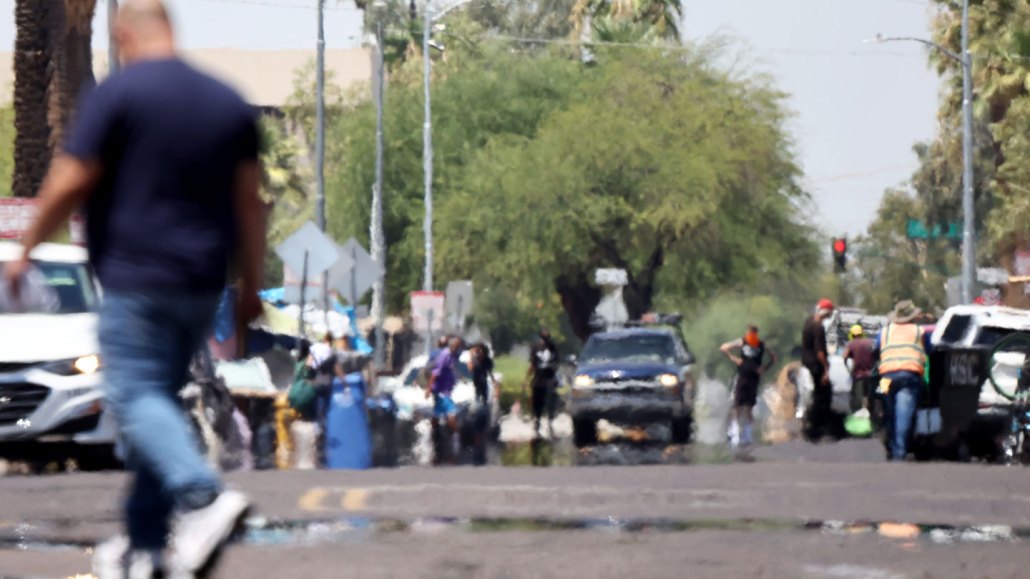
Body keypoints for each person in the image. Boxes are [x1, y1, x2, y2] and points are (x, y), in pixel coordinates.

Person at [2, 1, 266, 575]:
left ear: (124, 36)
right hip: (201, 285)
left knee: (132, 397)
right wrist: (251, 285)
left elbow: (72, 178)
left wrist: (25, 251)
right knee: (156, 405)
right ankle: (145, 549)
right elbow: (250, 204)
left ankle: (203, 496)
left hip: (137, 278)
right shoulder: (225, 101)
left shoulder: (121, 97)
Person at [873, 300, 932, 461]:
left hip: (885, 378)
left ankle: (891, 447)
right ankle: (899, 452)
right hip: (908, 376)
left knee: (888, 411)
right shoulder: (919, 331)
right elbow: (930, 349)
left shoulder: (884, 332)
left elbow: (876, 349)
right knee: (903, 414)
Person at [720, 325, 777, 448]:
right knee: (737, 405)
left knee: (749, 407)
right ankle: (735, 435)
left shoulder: (761, 345)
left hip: (754, 378)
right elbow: (723, 348)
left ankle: (747, 436)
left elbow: (773, 358)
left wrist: (764, 368)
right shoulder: (742, 342)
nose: (751, 334)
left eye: (753, 332)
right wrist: (734, 358)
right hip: (742, 377)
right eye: (749, 332)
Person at [801, 299, 835, 440]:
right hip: (816, 365)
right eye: (829, 314)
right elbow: (820, 351)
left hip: (807, 362)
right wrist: (826, 368)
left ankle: (813, 424)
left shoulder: (808, 322)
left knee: (817, 394)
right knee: (823, 396)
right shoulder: (818, 327)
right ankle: (816, 427)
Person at [426, 337, 462, 464]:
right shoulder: (444, 356)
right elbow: (435, 373)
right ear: (452, 345)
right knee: (452, 417)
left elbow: (452, 370)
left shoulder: (453, 356)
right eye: (458, 345)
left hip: (445, 392)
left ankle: (439, 451)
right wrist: (428, 389)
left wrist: (460, 377)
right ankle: (455, 446)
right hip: (441, 393)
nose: (459, 347)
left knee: (437, 419)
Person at [524, 328, 559, 438]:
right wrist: (526, 379)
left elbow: (556, 363)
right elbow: (533, 365)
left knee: (550, 401)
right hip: (538, 379)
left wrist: (555, 375)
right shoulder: (535, 348)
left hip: (549, 378)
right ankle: (537, 422)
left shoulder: (553, 347)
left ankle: (550, 423)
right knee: (537, 402)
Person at [843, 324, 876, 413]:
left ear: (852, 334)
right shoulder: (871, 342)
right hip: (871, 375)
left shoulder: (851, 344)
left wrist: (848, 369)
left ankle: (856, 417)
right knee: (870, 397)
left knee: (857, 399)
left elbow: (844, 357)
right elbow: (877, 354)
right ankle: (872, 417)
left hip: (858, 376)